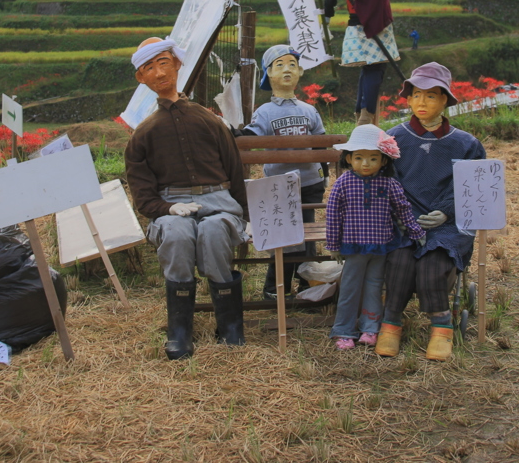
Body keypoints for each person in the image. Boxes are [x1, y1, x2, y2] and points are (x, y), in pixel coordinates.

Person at [124, 37, 249, 360]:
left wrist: (245, 216)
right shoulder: (143, 134)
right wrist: (168, 208)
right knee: (178, 235)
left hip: (219, 201)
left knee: (213, 232)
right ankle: (180, 330)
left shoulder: (210, 121)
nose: (158, 73)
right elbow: (143, 196)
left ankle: (230, 325)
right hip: (170, 206)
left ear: (178, 64)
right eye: (149, 68)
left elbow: (234, 171)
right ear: (141, 78)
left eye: (164, 63)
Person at [376, 63, 486, 361]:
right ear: (408, 99)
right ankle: (391, 323)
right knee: (399, 260)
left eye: (432, 96)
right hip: (402, 221)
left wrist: (447, 213)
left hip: (448, 226)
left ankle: (441, 325)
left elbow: (471, 189)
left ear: (446, 100)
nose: (422, 103)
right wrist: (401, 214)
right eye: (417, 95)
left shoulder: (466, 145)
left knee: (433, 265)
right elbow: (384, 182)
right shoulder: (391, 140)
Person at [325, 125, 425, 349]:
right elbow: (333, 215)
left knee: (374, 286)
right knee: (350, 288)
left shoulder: (389, 184)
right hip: (353, 246)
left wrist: (416, 232)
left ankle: (370, 327)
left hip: (381, 245)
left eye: (373, 158)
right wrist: (333, 244)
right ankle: (344, 330)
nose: (366, 164)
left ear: (384, 161)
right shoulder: (343, 183)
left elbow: (403, 209)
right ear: (349, 159)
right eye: (359, 158)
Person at [240, 44, 326, 299]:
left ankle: (308, 285)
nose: (287, 70)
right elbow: (251, 136)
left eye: (291, 64)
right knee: (282, 234)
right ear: (269, 74)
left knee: (307, 235)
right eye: (279, 65)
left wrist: (325, 175)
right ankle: (275, 288)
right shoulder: (264, 112)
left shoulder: (309, 110)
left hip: (310, 182)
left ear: (299, 71)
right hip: (278, 185)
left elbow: (321, 143)